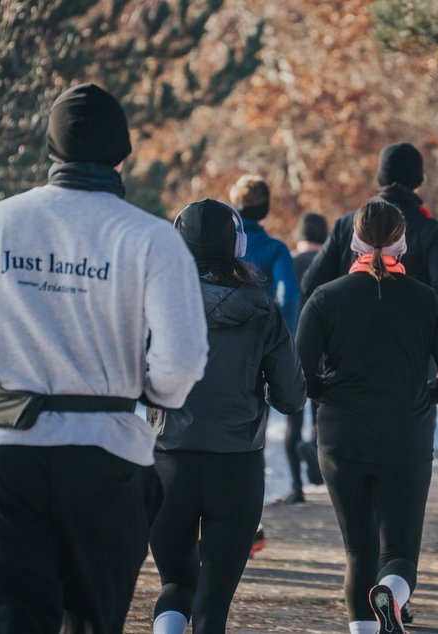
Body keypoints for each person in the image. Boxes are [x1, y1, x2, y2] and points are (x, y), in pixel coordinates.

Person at [0, 83, 209, 633]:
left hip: (8, 456)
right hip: (106, 456)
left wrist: (14, 372)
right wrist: (144, 388)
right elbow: (182, 361)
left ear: (50, 148)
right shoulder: (149, 238)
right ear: (122, 152)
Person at [296, 200, 438, 634]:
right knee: (399, 553)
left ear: (353, 241)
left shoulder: (325, 297)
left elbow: (297, 373)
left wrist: (324, 395)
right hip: (404, 438)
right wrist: (426, 396)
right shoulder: (425, 300)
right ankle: (391, 594)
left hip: (341, 438)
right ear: (402, 240)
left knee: (358, 551)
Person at [147, 199, 306, 634]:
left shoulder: (154, 306)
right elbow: (292, 398)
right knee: (212, 606)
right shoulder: (261, 310)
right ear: (237, 245)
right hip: (236, 468)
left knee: (176, 582)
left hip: (167, 463)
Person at [300, 142, 438, 321]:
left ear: (379, 178)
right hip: (409, 341)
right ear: (419, 180)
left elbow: (311, 283)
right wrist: (437, 338)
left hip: (347, 338)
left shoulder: (346, 225)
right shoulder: (434, 232)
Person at [283, 211, 329, 503]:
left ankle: (297, 489)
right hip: (325, 350)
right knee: (321, 415)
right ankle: (314, 448)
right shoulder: (329, 263)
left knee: (292, 420)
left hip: (290, 350)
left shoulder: (287, 261)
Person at [229, 174, 300, 333]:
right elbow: (288, 297)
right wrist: (279, 336)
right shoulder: (276, 249)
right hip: (257, 336)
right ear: (265, 208)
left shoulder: (217, 242)